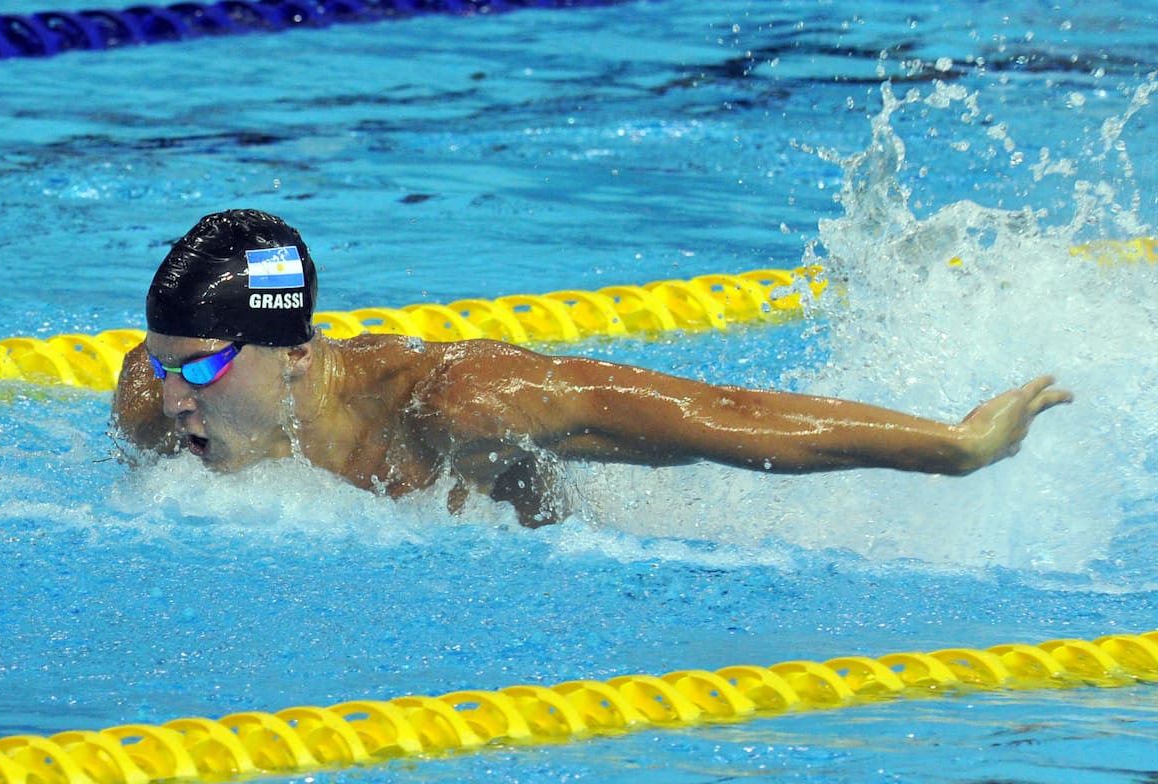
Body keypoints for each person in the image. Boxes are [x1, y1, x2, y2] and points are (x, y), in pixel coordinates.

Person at [112, 209, 1072, 526]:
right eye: (157, 366)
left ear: (293, 354)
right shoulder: (152, 408)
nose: (167, 398)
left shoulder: (463, 401)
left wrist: (952, 448)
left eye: (195, 371)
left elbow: (723, 414)